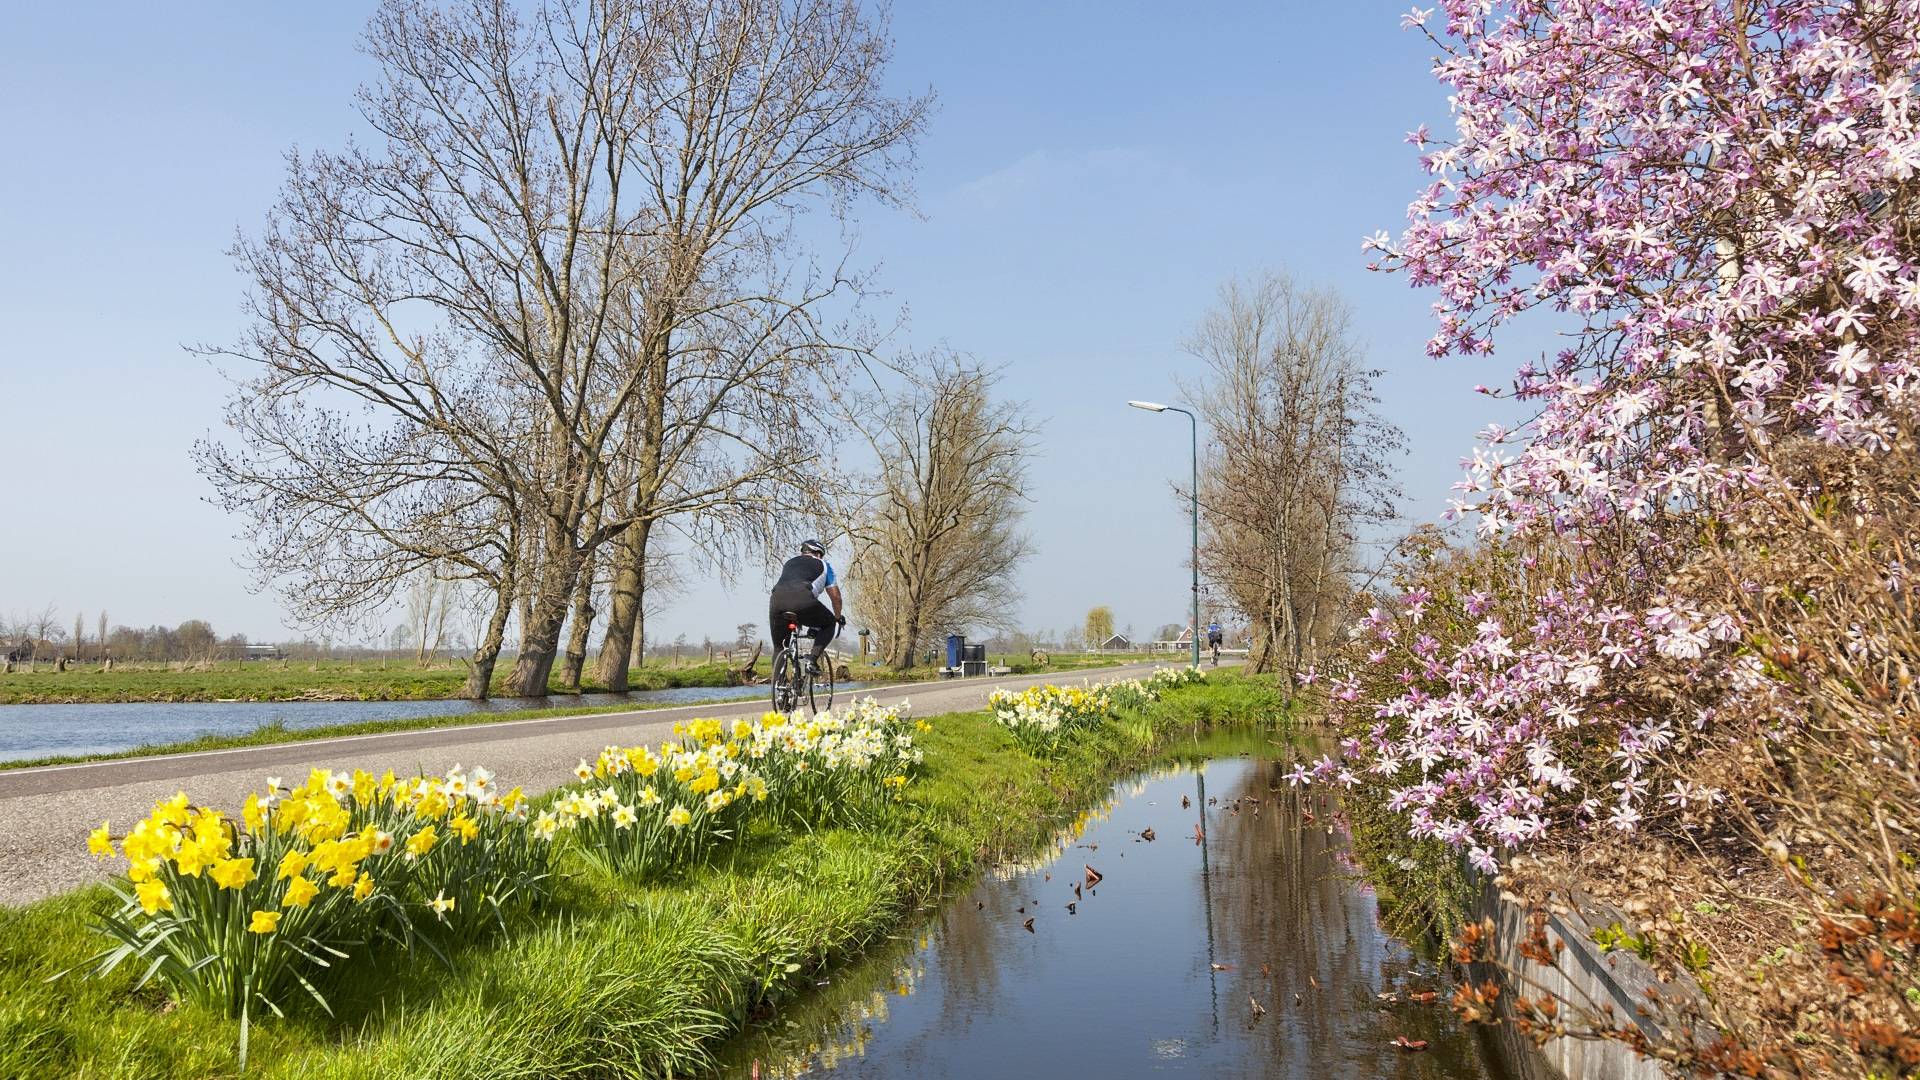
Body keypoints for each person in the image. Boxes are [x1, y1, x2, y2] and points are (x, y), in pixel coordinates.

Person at [768, 539, 845, 673]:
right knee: (829, 623)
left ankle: (779, 688)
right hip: (802, 599)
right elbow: (836, 597)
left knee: (779, 647)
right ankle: (811, 660)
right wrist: (837, 617)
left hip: (776, 600)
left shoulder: (789, 563)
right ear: (819, 554)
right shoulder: (824, 565)